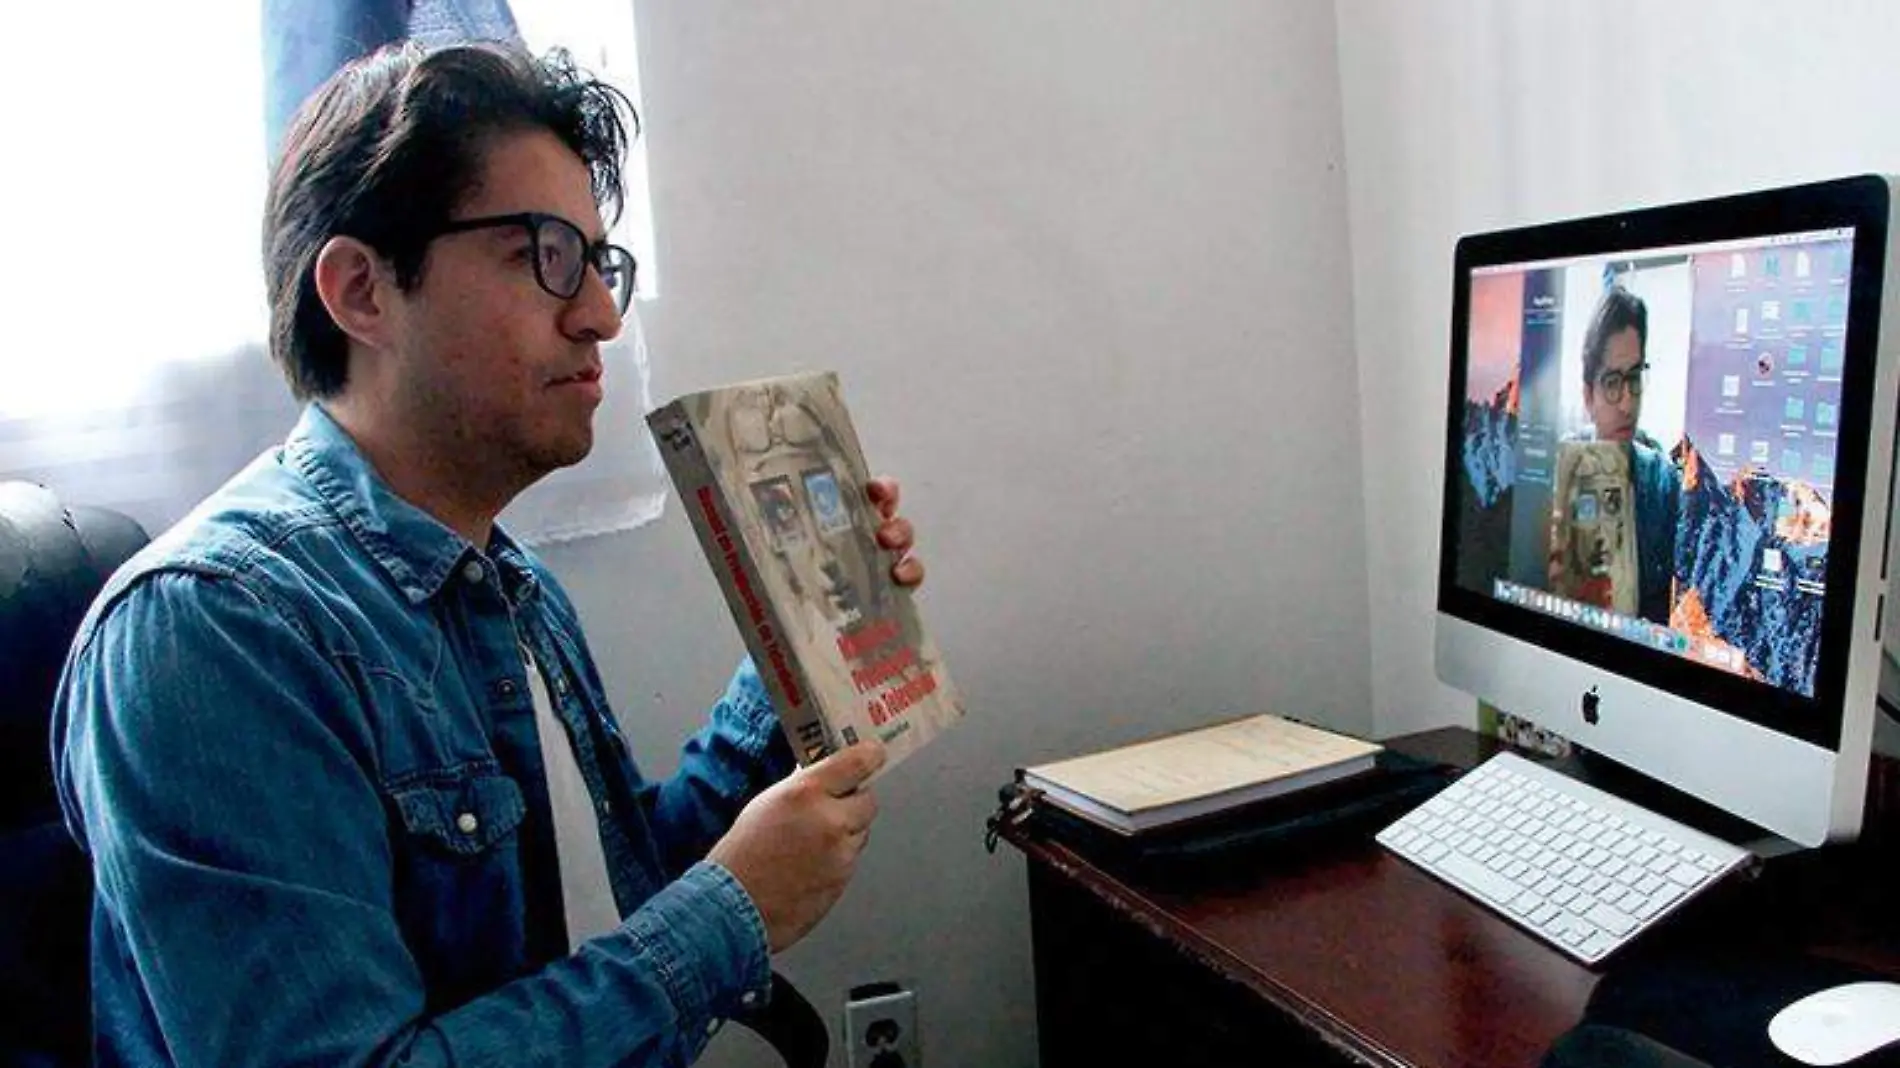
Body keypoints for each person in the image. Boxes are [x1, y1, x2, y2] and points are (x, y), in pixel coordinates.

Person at [51, 41, 927, 1067]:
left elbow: (623, 898)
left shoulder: (510, 589)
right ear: (361, 291)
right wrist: (731, 916)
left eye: (600, 265)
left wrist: (797, 655)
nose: (600, 314)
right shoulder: (211, 631)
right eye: (544, 254)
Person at [1555, 286, 1681, 625]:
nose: (1628, 404)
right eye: (1612, 382)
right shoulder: (1557, 473)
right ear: (1587, 395)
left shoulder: (1663, 483)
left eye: (1635, 377)